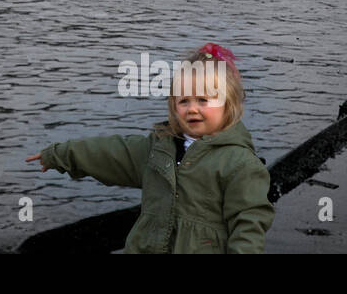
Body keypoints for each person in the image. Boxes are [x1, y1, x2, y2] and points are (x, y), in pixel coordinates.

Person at [26, 43, 274, 253]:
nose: (192, 109)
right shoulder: (159, 149)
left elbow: (249, 225)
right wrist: (60, 155)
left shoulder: (240, 164)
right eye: (184, 100)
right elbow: (110, 154)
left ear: (228, 104)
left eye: (203, 100)